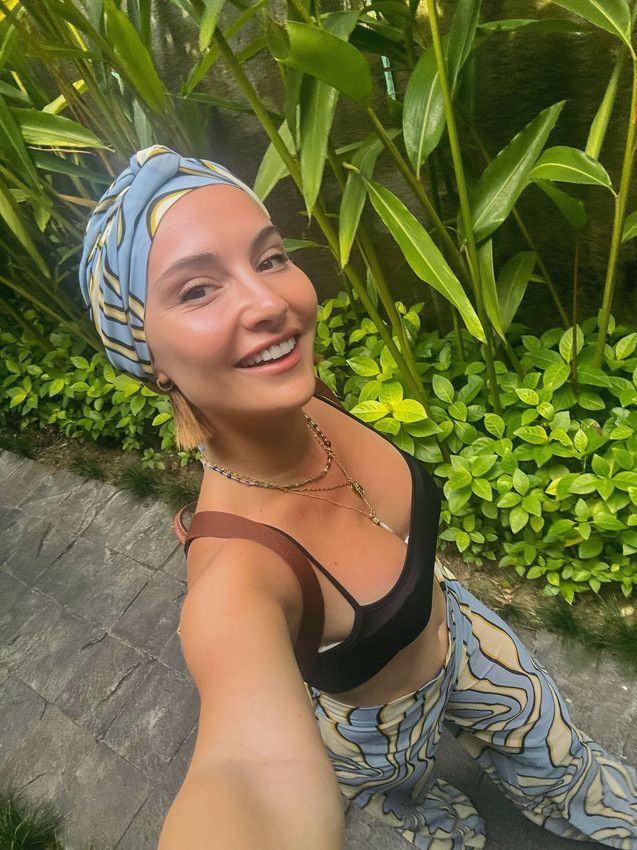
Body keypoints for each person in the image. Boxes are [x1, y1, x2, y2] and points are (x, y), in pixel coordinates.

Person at [79, 145, 637, 850]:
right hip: (379, 728)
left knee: (563, 759)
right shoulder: (235, 583)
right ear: (149, 356)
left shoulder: (305, 394)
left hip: (462, 632)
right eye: (197, 290)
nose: (269, 303)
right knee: (417, 810)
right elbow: (249, 772)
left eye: (270, 258)